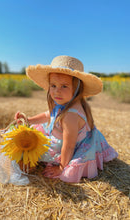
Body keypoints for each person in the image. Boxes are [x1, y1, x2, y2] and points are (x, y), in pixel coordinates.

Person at [13, 55, 118, 183]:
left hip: (72, 145)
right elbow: (48, 115)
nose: (57, 91)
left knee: (34, 149)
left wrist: (62, 167)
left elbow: (68, 146)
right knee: (34, 132)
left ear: (77, 88)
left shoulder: (70, 116)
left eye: (64, 86)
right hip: (64, 138)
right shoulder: (65, 104)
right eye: (53, 86)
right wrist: (28, 120)